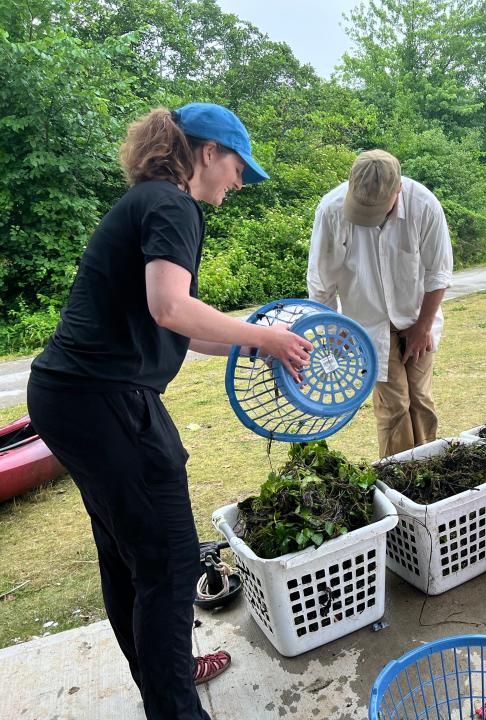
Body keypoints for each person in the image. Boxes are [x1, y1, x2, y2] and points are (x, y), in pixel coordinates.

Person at [27, 103, 314, 719]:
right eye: (238, 167)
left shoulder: (152, 201)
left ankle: (167, 675)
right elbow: (170, 307)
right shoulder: (170, 204)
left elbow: (184, 324)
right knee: (169, 558)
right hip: (104, 400)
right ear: (208, 153)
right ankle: (176, 707)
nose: (238, 184)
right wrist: (266, 336)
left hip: (73, 398)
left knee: (128, 551)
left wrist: (250, 341)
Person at [307, 149, 454, 458]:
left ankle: (427, 468)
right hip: (367, 324)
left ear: (397, 190)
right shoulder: (331, 210)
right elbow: (322, 282)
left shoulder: (424, 205)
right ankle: (398, 475)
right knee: (395, 407)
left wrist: (423, 326)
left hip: (417, 317)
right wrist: (332, 332)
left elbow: (438, 272)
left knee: (422, 401)